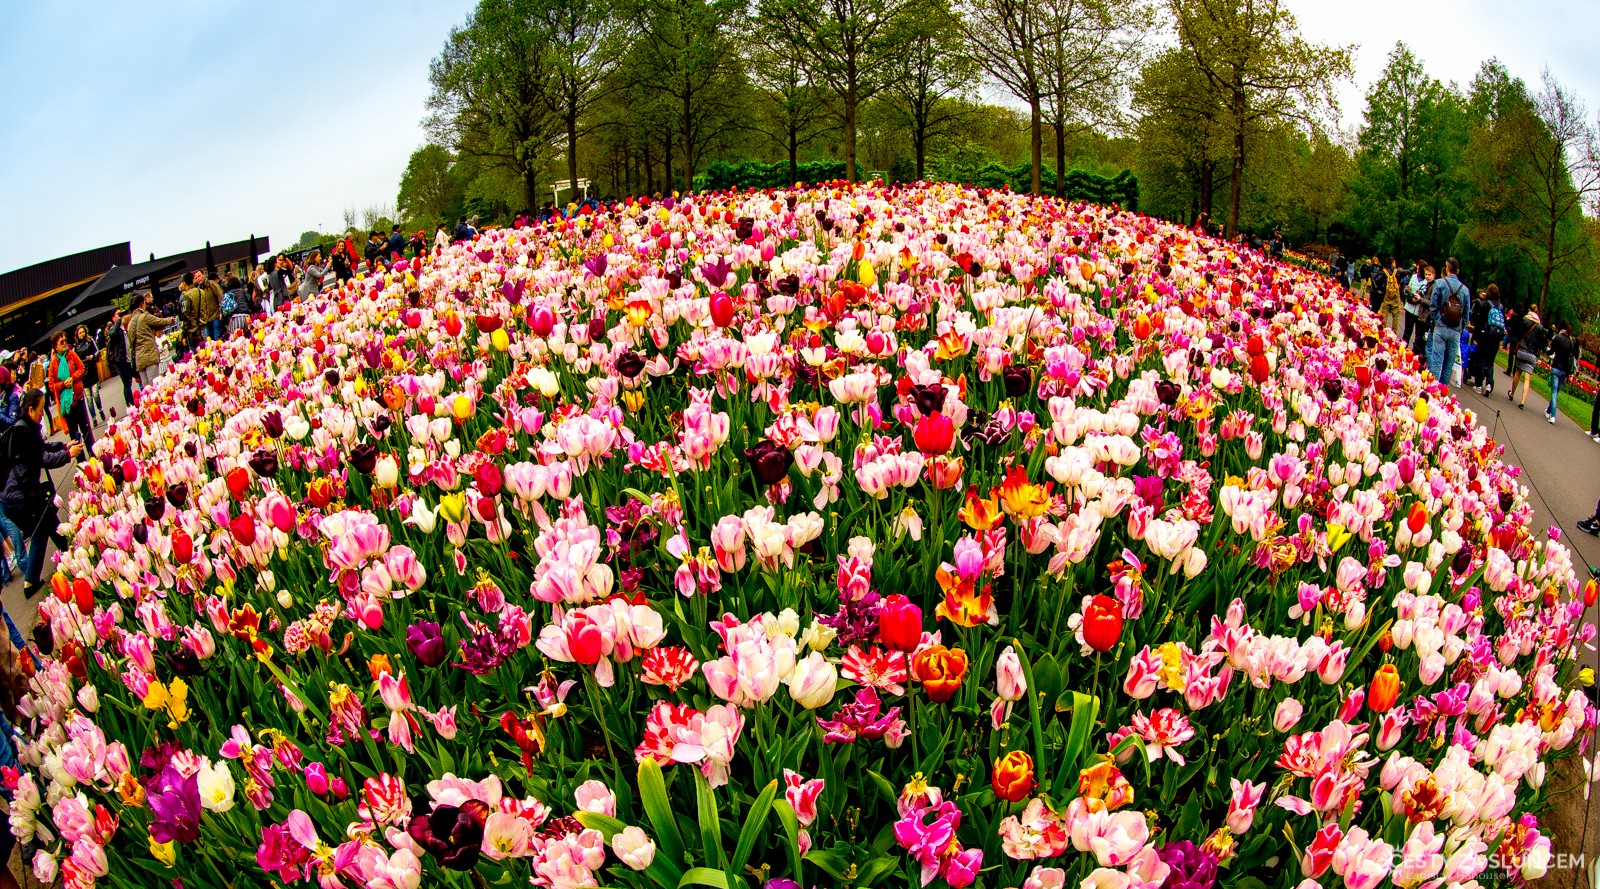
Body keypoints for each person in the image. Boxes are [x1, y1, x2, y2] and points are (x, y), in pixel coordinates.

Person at [2, 389, 81, 598]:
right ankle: (68, 558)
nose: (43, 413)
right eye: (41, 408)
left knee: (44, 523)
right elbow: (41, 458)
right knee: (42, 525)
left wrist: (64, 446)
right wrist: (67, 455)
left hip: (17, 494)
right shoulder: (23, 432)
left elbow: (42, 448)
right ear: (30, 409)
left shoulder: (24, 427)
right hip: (17, 498)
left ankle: (68, 555)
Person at [46, 332, 93, 450]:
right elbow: (51, 385)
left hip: (78, 396)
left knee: (85, 427)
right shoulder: (53, 364)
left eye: (65, 340)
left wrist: (73, 378)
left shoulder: (72, 354)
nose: (64, 344)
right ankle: (81, 461)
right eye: (61, 342)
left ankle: (93, 455)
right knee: (74, 434)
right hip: (66, 402)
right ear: (55, 346)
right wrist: (63, 384)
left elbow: (81, 368)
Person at [1428, 257, 1471, 386]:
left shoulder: (1440, 283)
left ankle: (1433, 392)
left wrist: (1436, 320)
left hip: (1441, 326)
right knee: (1448, 365)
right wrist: (1460, 328)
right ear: (1457, 271)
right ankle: (1442, 392)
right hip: (1455, 330)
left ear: (1447, 269)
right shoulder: (1465, 290)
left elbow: (1433, 305)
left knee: (1436, 361)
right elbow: (1466, 314)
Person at [126, 291, 175, 391]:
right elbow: (159, 322)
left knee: (146, 389)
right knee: (155, 386)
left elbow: (131, 344)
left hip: (139, 359)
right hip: (149, 355)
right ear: (141, 304)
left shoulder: (130, 323)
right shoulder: (144, 317)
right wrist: (171, 320)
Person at [1469, 284, 1504, 395]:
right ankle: (1489, 384)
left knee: (1481, 359)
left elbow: (1479, 322)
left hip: (1485, 336)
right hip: (1496, 338)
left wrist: (1476, 337)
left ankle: (1479, 384)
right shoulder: (1501, 307)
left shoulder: (1485, 305)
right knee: (1490, 362)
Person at [1508, 308, 1543, 410]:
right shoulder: (1540, 327)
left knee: (1517, 373)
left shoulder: (1524, 320)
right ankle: (1522, 401)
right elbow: (1540, 343)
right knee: (1527, 378)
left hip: (1522, 350)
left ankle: (1512, 393)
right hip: (1532, 354)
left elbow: (1518, 333)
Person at [71, 325, 105, 425]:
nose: (81, 334)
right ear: (77, 334)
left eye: (83, 332)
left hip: (92, 371)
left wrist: (92, 356)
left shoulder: (90, 341)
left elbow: (97, 351)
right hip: (83, 375)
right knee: (89, 399)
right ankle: (93, 418)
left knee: (95, 395)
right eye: (79, 333)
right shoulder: (75, 348)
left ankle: (100, 409)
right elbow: (74, 361)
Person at [102, 307, 135, 407]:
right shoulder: (113, 328)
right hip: (120, 360)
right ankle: (131, 404)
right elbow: (112, 334)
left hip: (128, 358)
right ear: (113, 318)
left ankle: (129, 403)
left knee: (128, 383)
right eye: (118, 314)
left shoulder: (123, 328)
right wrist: (117, 322)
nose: (120, 316)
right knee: (126, 383)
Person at [1545, 321, 1574, 425]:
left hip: (1556, 367)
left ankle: (1553, 415)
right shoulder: (1570, 342)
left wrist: (1546, 351)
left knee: (1553, 392)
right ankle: (1548, 411)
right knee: (1556, 392)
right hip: (1564, 371)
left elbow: (1552, 351)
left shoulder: (1557, 338)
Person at [191, 270, 224, 341]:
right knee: (210, 341)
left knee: (217, 339)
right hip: (206, 320)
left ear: (204, 275)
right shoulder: (198, 290)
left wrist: (221, 311)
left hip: (216, 316)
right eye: (196, 278)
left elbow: (221, 297)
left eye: (199, 276)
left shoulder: (211, 284)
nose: (198, 278)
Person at [1377, 257, 1404, 336]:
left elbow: (1378, 280)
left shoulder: (1384, 271)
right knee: (1395, 316)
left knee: (1384, 314)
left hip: (1387, 295)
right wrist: (1413, 267)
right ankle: (1393, 333)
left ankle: (1382, 332)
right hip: (1395, 296)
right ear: (1393, 262)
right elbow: (1407, 272)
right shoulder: (1397, 271)